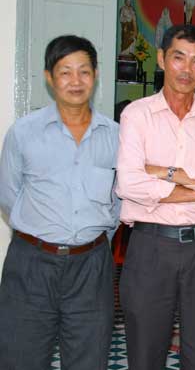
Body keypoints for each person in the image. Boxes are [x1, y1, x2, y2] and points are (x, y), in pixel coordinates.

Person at [116, 24, 195, 370]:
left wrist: (165, 172)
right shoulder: (137, 115)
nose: (187, 69)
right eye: (179, 58)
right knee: (145, 354)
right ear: (161, 59)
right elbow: (129, 183)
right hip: (150, 247)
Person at [0, 35, 119, 370]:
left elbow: (118, 202)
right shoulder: (23, 133)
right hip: (31, 264)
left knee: (89, 359)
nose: (75, 81)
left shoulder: (116, 136)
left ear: (95, 75)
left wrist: (92, 242)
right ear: (49, 78)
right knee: (21, 359)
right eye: (65, 72)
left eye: (84, 71)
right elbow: (9, 196)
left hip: (91, 267)